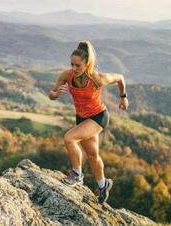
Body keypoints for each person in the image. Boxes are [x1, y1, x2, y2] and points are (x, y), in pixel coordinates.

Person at [48, 40, 129, 204]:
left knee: (69, 138)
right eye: (72, 64)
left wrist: (123, 98)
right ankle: (103, 184)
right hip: (82, 118)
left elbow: (120, 78)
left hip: (98, 117)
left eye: (78, 65)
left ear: (87, 64)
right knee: (92, 155)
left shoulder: (97, 79)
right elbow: (51, 93)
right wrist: (56, 94)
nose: (74, 68)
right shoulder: (67, 75)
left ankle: (77, 174)